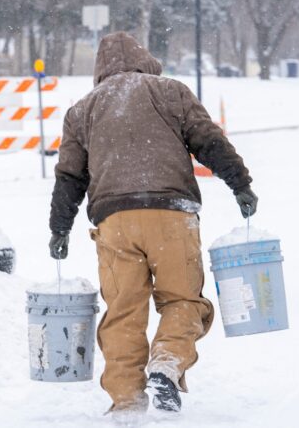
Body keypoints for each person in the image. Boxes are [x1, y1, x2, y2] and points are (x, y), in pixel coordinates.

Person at [48, 32, 256, 417]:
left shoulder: (82, 110)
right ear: (147, 60)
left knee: (123, 311)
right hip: (171, 215)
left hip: (114, 223)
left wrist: (59, 228)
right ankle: (167, 362)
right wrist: (240, 183)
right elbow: (208, 141)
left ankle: (127, 398)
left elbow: (69, 177)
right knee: (182, 299)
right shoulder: (170, 92)